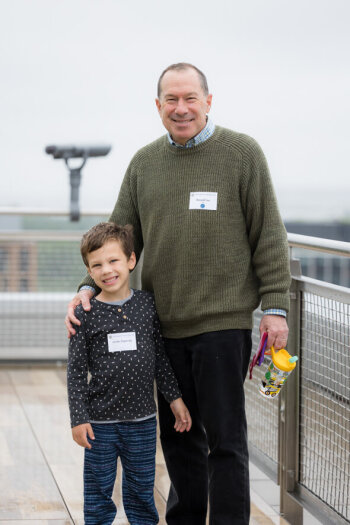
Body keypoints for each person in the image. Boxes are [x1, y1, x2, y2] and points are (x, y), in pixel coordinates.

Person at [66, 63, 291, 525]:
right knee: (179, 435)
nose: (181, 108)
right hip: (162, 326)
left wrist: (275, 307)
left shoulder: (242, 154)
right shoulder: (144, 164)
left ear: (208, 101)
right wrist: (88, 286)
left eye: (190, 98)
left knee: (226, 439)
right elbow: (118, 236)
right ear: (158, 107)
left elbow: (269, 234)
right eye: (171, 99)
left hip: (222, 326)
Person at [67, 222, 192, 525]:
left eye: (113, 261)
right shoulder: (85, 314)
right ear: (89, 271)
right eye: (97, 265)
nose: (107, 270)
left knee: (140, 493)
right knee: (98, 493)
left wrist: (174, 399)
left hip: (143, 423)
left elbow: (160, 358)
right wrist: (78, 419)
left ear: (131, 261)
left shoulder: (147, 305)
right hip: (99, 424)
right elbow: (75, 373)